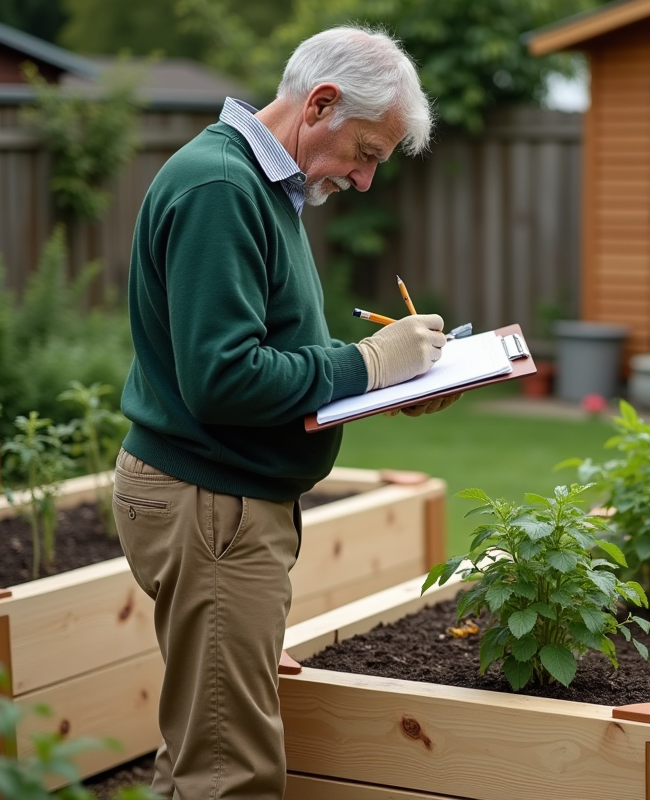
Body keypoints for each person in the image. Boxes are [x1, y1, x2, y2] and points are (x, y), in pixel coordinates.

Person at [113, 26, 455, 800]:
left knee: (202, 754)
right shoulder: (222, 189)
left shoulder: (259, 187)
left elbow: (270, 352)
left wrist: (382, 385)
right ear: (321, 104)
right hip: (211, 506)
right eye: (366, 153)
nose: (365, 179)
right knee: (230, 775)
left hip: (220, 505)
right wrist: (367, 364)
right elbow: (223, 379)